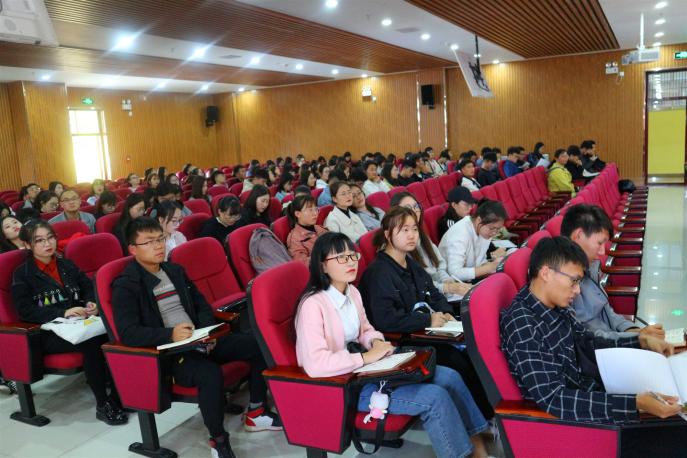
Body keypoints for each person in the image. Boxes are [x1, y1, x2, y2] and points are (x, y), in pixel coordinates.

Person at [296, 232, 490, 458]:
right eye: (341, 258)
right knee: (434, 397)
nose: (350, 262)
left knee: (450, 376)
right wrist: (365, 358)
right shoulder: (313, 305)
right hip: (344, 387)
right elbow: (315, 364)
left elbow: (365, 329)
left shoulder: (352, 292)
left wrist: (375, 341)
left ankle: (478, 441)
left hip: (368, 371)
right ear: (322, 266)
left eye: (352, 255)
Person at [112, 217, 282, 458]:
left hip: (200, 340)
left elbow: (202, 305)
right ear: (132, 249)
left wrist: (207, 332)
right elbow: (129, 333)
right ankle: (219, 440)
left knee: (258, 343)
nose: (158, 246)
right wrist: (170, 334)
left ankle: (256, 412)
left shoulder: (175, 270)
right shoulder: (127, 285)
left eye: (160, 239)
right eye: (149, 242)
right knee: (209, 374)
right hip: (172, 353)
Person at [501, 236, 686, 457]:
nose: (578, 291)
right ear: (546, 273)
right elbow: (555, 399)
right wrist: (634, 403)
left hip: (593, 392)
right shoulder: (522, 325)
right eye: (574, 281)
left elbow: (588, 341)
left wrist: (640, 341)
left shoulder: (553, 305)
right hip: (580, 424)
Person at [358, 207, 494, 419]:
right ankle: (485, 418)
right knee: (457, 360)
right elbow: (385, 321)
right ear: (387, 234)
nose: (412, 235)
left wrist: (446, 312)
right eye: (404, 230)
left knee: (475, 349)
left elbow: (433, 292)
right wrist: (428, 319)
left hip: (428, 331)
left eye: (414, 229)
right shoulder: (378, 273)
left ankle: (490, 412)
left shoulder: (410, 263)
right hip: (404, 341)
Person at [11, 220, 127, 425]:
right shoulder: (22, 274)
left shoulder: (66, 264)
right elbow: (25, 310)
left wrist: (91, 302)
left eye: (50, 238)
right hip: (47, 333)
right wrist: (63, 312)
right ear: (28, 245)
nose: (47, 244)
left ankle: (120, 396)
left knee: (114, 332)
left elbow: (88, 287)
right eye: (39, 240)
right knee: (91, 343)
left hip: (78, 324)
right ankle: (103, 404)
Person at [561, 204, 665, 340]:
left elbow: (606, 311)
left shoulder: (589, 266)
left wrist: (634, 330)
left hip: (615, 340)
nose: (602, 252)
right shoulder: (563, 281)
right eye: (599, 243)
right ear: (578, 236)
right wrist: (636, 338)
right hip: (601, 348)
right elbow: (587, 337)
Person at [390, 193, 472, 304]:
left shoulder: (421, 234)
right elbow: (417, 285)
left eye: (416, 206)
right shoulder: (400, 244)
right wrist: (446, 288)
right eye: (408, 208)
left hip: (441, 291)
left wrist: (447, 281)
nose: (414, 211)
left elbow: (439, 264)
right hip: (427, 298)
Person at [438, 200, 507, 283]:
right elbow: (454, 273)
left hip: (471, 278)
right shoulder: (460, 234)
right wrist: (488, 268)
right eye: (492, 228)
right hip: (451, 282)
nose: (494, 233)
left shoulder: (483, 230)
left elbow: (480, 262)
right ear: (479, 220)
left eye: (498, 229)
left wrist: (492, 265)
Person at [285, 194, 327, 265]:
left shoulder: (319, 228)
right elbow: (303, 264)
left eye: (316, 209)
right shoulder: (295, 238)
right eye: (310, 210)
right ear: (298, 214)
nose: (315, 213)